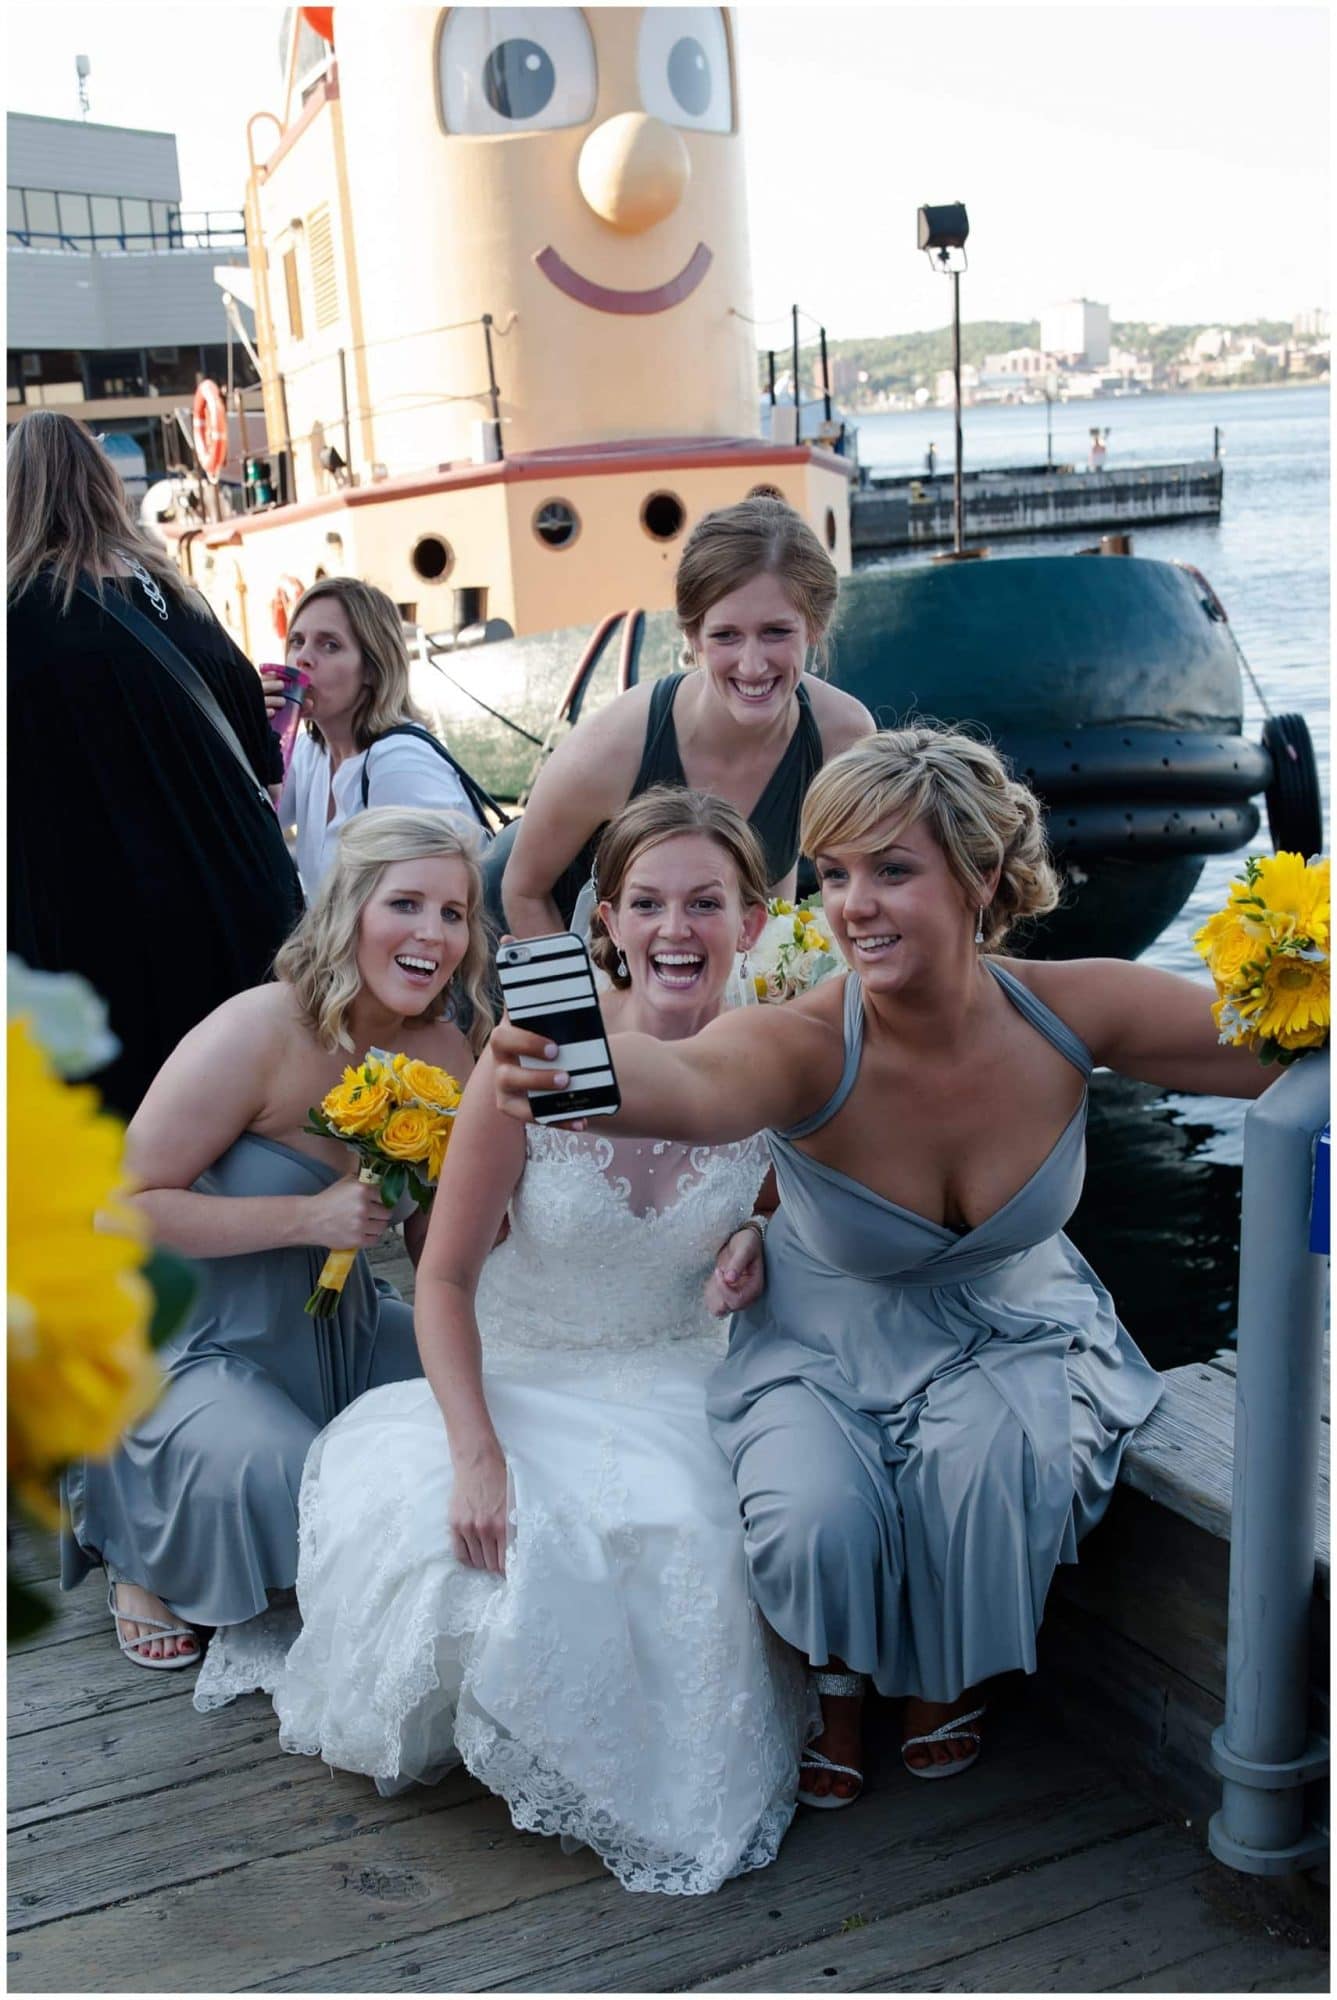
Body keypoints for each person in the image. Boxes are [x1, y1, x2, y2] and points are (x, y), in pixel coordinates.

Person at [488, 726, 1274, 1806]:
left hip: (1010, 1327)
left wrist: (1302, 959)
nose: (851, 903)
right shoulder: (804, 1041)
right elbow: (678, 1084)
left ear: (980, 875)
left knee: (991, 1459)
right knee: (814, 1516)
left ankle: (943, 1676)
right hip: (823, 1340)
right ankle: (836, 1679)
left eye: (890, 870)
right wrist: (557, 1054)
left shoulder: (1071, 1009)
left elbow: (1276, 1040)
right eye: (834, 872)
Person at [267, 789, 812, 1895]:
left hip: (679, 1371)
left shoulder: (777, 1064)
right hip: (519, 1364)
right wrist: (474, 1448)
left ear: (751, 922)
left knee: (689, 1529)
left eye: (705, 903)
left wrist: (757, 1231)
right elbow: (446, 1276)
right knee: (485, 1537)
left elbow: (778, 1204)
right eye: (647, 903)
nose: (675, 930)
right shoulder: (530, 1057)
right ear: (604, 921)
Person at [65, 808, 492, 1671]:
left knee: (497, 1402)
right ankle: (135, 1551)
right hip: (194, 1343)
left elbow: (436, 1244)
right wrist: (306, 1218)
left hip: (348, 1327)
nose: (432, 934)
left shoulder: (448, 1047)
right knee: (295, 1472)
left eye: (453, 914)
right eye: (405, 904)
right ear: (350, 910)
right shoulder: (257, 1031)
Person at [7, 409, 303, 1120]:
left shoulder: (15, 618)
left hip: (102, 927)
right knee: (244, 1116)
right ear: (107, 486)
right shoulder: (181, 599)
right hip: (243, 900)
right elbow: (266, 770)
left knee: (139, 1143)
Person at [499, 495, 876, 937]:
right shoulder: (613, 747)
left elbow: (772, 889)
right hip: (565, 958)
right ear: (693, 636)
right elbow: (523, 892)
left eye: (776, 632)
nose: (752, 665)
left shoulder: (842, 736)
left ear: (813, 626)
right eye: (726, 636)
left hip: (689, 968)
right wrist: (573, 1006)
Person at [263, 577, 487, 899]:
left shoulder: (399, 763)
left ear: (371, 668)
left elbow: (444, 897)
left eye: (330, 645)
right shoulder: (309, 753)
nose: (303, 659)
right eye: (297, 641)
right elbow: (247, 825)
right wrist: (256, 734)